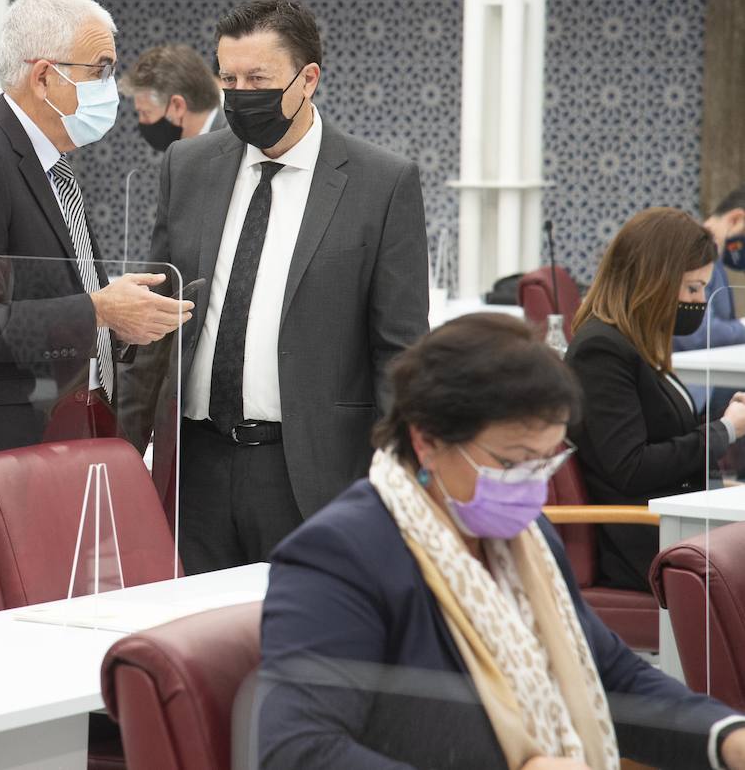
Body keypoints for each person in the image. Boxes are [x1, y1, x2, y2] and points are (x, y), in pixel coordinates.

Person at [258, 313, 745, 769]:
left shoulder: (525, 541)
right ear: (427, 440)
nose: (531, 486)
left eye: (544, 462)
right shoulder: (342, 555)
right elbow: (299, 750)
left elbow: (610, 675)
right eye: (513, 463)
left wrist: (728, 737)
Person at [125, 0, 429, 573]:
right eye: (229, 78)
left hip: (313, 471)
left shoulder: (380, 184)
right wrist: (127, 445)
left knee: (305, 649)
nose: (241, 93)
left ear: (307, 78)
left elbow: (401, 350)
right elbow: (159, 316)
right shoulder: (186, 167)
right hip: (196, 466)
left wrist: (395, 480)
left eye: (257, 79)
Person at [0, 0, 192, 507]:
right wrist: (98, 309)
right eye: (99, 69)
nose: (110, 88)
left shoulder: (48, 161)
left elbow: (50, 294)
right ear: (43, 77)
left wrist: (120, 317)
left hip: (57, 440)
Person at [567, 207, 745, 592]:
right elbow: (632, 466)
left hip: (677, 526)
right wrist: (725, 430)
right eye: (693, 289)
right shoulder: (601, 350)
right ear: (655, 281)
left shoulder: (636, 344)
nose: (699, 301)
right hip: (647, 543)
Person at [675, 184, 745, 414]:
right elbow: (697, 335)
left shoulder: (713, 260)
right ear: (736, 219)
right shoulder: (694, 253)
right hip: (688, 384)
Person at [118, 43, 224, 152]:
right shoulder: (182, 153)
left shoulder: (235, 145)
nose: (141, 121)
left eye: (145, 113)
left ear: (177, 106)